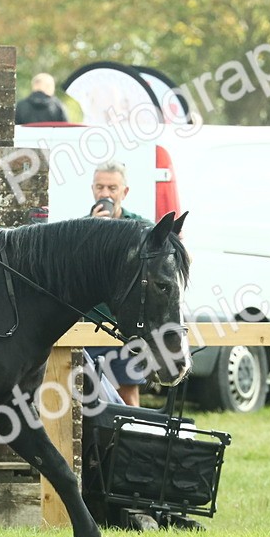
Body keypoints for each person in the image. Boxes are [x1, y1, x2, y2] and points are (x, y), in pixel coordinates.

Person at [85, 162, 149, 407]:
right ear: (92, 189)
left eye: (112, 188)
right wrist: (93, 230)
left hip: (124, 330)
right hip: (88, 328)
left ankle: (132, 442)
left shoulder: (140, 228)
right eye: (100, 187)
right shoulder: (81, 227)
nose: (105, 194)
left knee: (128, 395)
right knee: (85, 399)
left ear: (125, 192)